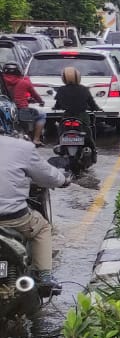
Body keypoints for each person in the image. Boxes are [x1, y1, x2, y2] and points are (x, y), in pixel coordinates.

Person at [0, 133, 70, 293]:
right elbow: (49, 175)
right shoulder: (22, 147)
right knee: (43, 228)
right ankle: (44, 277)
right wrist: (63, 180)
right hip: (14, 218)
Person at [2, 61, 45, 145]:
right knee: (42, 115)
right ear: (19, 71)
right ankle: (36, 139)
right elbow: (36, 96)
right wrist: (41, 101)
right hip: (22, 110)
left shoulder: (2, 83)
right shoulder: (24, 82)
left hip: (5, 111)